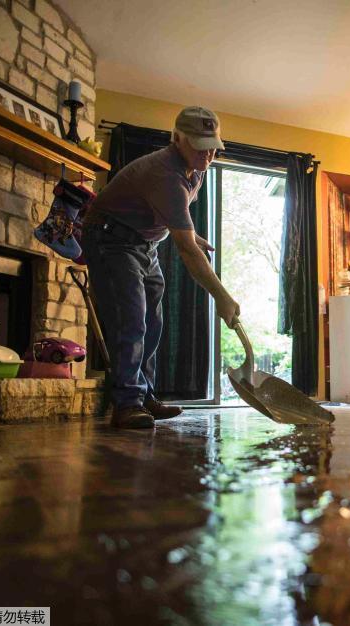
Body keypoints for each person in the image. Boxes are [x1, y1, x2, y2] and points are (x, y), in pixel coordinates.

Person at [81, 106, 241, 428]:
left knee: (152, 323)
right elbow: (185, 250)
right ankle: (127, 404)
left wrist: (192, 234)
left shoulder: (196, 166)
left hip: (145, 244)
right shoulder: (165, 172)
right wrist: (222, 296)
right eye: (199, 145)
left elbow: (172, 212)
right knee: (132, 321)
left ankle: (145, 396)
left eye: (212, 145)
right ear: (176, 139)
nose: (207, 154)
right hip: (111, 240)